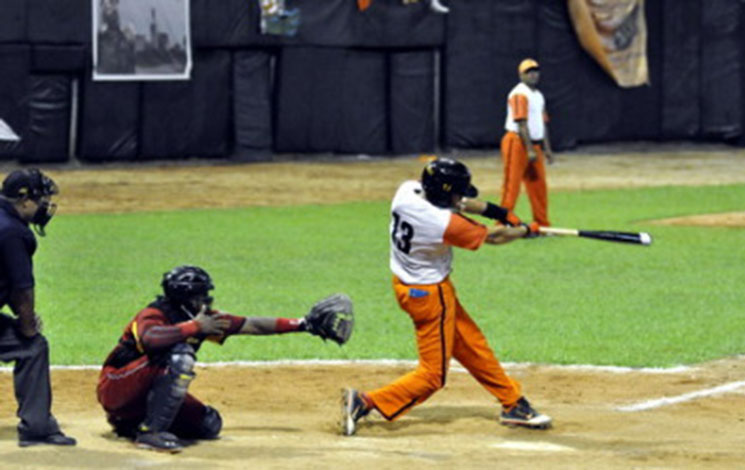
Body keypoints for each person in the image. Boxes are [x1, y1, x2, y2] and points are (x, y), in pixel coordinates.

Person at [341, 158, 552, 436]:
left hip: (409, 286)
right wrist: (525, 230)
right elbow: (495, 238)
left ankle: (513, 403)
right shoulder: (442, 223)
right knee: (433, 375)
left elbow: (460, 202)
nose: (460, 197)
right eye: (456, 191)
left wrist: (498, 211)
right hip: (429, 298)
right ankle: (366, 401)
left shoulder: (407, 192)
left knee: (470, 344)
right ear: (444, 193)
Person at [97, 265, 351, 453]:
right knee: (180, 356)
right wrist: (193, 328)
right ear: (186, 296)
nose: (206, 300)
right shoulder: (153, 314)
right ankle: (150, 432)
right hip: (116, 387)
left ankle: (130, 423)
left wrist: (303, 324)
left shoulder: (203, 318)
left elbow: (251, 325)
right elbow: (151, 339)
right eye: (201, 295)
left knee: (208, 424)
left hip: (140, 396)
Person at [0, 168, 76, 447]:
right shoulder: (14, 233)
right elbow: (21, 286)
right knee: (32, 347)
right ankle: (37, 427)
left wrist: (24, 316)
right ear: (24, 201)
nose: (44, 205)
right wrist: (28, 325)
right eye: (41, 198)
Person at [500, 58, 554, 227]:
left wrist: (547, 149)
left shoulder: (538, 95)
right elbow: (521, 123)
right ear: (521, 74)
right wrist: (529, 149)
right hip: (517, 142)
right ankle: (502, 223)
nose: (533, 74)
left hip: (534, 145)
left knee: (538, 186)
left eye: (535, 71)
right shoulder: (519, 93)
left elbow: (542, 123)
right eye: (528, 71)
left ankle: (542, 223)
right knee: (512, 186)